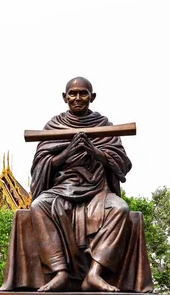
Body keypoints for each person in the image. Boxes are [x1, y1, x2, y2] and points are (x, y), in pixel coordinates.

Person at [29, 77, 133, 292]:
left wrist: (94, 151)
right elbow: (41, 165)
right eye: (73, 93)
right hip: (62, 189)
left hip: (97, 190)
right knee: (38, 205)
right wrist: (67, 152)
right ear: (64, 97)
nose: (78, 98)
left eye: (83, 93)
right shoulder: (54, 126)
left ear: (92, 97)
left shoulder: (103, 126)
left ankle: (94, 274)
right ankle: (60, 273)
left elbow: (122, 163)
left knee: (120, 208)